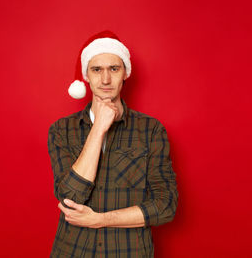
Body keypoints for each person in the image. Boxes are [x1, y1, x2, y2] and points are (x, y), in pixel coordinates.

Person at [48, 30, 178, 257]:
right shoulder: (61, 130)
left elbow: (165, 206)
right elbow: (70, 197)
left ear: (125, 73)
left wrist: (100, 220)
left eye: (114, 69)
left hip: (128, 252)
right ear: (86, 76)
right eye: (97, 69)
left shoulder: (151, 130)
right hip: (72, 251)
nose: (105, 79)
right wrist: (98, 128)